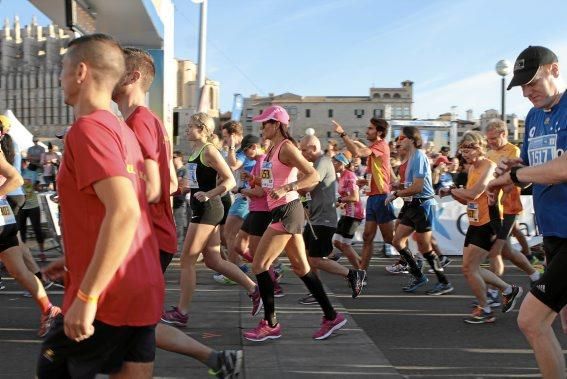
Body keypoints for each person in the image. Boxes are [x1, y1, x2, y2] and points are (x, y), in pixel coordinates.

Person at [37, 33, 164, 378]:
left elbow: (124, 211)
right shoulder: (122, 130)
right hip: (141, 285)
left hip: (109, 294)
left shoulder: (87, 129)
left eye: (62, 69)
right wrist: (77, 256)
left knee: (50, 368)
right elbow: (118, 207)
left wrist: (88, 296)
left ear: (80, 71)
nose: (60, 79)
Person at [112, 47, 241, 378]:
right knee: (132, 323)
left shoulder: (139, 122)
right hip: (152, 235)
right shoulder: (145, 121)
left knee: (129, 324)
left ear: (132, 76)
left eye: (114, 68)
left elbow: (151, 186)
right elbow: (168, 181)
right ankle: (217, 359)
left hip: (146, 238)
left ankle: (214, 348)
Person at [487, 45, 567, 378]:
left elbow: (563, 167)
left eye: (532, 82)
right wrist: (518, 164)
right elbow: (541, 166)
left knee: (531, 320)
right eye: (521, 85)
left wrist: (517, 175)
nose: (526, 92)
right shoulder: (533, 117)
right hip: (553, 231)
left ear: (555, 70)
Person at [243, 105, 346, 342]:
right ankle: (332, 316)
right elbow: (270, 185)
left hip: (288, 211)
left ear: (277, 124)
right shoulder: (271, 150)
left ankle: (271, 324)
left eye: (265, 123)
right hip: (282, 211)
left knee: (259, 264)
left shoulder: (287, 147)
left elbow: (313, 175)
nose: (261, 127)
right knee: (301, 268)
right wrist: (256, 181)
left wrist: (288, 187)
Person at [161, 113, 261, 327]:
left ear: (202, 129)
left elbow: (229, 179)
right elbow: (195, 182)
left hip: (208, 209)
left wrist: (209, 194)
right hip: (201, 208)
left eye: (190, 126)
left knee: (187, 260)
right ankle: (254, 289)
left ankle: (182, 312)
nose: (186, 129)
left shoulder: (208, 150)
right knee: (213, 261)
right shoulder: (195, 151)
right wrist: (176, 190)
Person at [442, 131, 522, 324]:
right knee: (471, 268)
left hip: (489, 222)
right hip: (475, 221)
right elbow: (467, 200)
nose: (466, 153)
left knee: (469, 269)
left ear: (481, 147)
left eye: (471, 148)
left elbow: (475, 193)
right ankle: (509, 290)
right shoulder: (471, 169)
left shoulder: (489, 165)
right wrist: (454, 193)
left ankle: (486, 309)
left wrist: (454, 190)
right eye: (463, 149)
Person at [0, 115, 60, 338]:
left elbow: (15, 179)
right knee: (18, 271)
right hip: (4, 219)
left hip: (3, 218)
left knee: (19, 270)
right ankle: (49, 309)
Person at [297, 135, 366, 305]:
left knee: (315, 259)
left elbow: (309, 185)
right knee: (306, 256)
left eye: (304, 150)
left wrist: (291, 184)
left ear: (313, 148)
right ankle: (315, 290)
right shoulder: (318, 164)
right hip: (315, 219)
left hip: (324, 220)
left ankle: (352, 274)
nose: (302, 153)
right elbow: (307, 192)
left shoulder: (323, 161)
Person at [385, 127, 453, 295]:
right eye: (398, 138)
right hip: (413, 205)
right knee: (397, 241)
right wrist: (399, 187)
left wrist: (396, 194)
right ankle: (419, 276)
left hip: (423, 205)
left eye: (402, 137)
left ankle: (444, 282)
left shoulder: (420, 156)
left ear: (412, 140)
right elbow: (411, 185)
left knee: (425, 247)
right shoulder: (412, 158)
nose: (399, 140)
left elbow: (418, 187)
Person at [485, 118, 540, 305]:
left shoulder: (514, 151)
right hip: (493, 208)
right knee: (507, 250)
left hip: (509, 207)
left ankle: (494, 293)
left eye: (493, 138)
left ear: (503, 134)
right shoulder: (490, 153)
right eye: (488, 139)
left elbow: (513, 179)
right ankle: (535, 276)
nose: (490, 142)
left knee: (496, 251)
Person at [332, 118, 396, 273]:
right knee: (367, 237)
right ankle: (362, 273)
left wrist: (343, 134)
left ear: (379, 132)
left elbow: (357, 152)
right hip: (374, 197)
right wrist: (363, 182)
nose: (367, 131)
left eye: (370, 128)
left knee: (390, 239)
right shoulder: (374, 147)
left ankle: (412, 261)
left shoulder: (381, 145)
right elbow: (373, 170)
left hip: (382, 197)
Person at [215, 124, 256, 285]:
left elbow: (233, 166)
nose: (224, 140)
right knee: (237, 238)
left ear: (234, 135)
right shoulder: (240, 151)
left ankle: (233, 271)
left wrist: (231, 145)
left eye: (226, 136)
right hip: (242, 197)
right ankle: (239, 266)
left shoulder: (244, 151)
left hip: (245, 198)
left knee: (230, 235)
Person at [331, 152, 364, 269]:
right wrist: (339, 202)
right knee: (337, 242)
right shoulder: (342, 175)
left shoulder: (349, 176)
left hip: (354, 214)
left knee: (344, 244)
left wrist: (339, 200)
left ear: (342, 164)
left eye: (335, 162)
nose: (332, 164)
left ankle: (360, 272)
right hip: (347, 213)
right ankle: (360, 262)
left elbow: (355, 198)